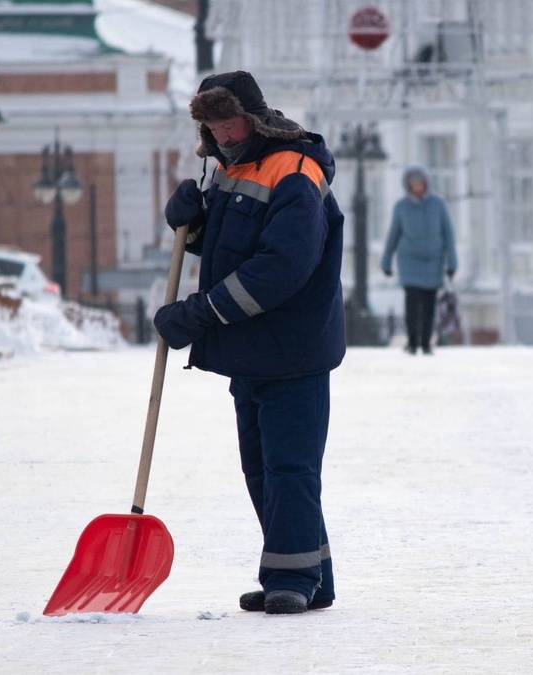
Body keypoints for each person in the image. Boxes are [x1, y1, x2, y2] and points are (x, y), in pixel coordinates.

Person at [154, 70, 344, 615]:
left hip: (293, 349)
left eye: (229, 123)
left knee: (290, 469)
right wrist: (193, 226)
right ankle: (310, 576)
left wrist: (200, 313)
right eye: (212, 127)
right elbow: (233, 247)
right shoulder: (230, 168)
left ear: (254, 118)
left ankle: (293, 576)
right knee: (263, 470)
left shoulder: (295, 171)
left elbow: (281, 266)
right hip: (253, 350)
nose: (222, 135)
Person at [380, 165, 458, 355]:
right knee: (412, 303)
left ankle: (426, 343)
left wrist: (452, 263)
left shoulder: (438, 204)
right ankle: (412, 342)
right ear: (408, 185)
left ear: (426, 183)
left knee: (429, 304)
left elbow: (448, 234)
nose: (417, 186)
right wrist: (386, 262)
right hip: (409, 262)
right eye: (413, 183)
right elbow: (393, 235)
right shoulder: (401, 207)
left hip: (433, 262)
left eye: (420, 183)